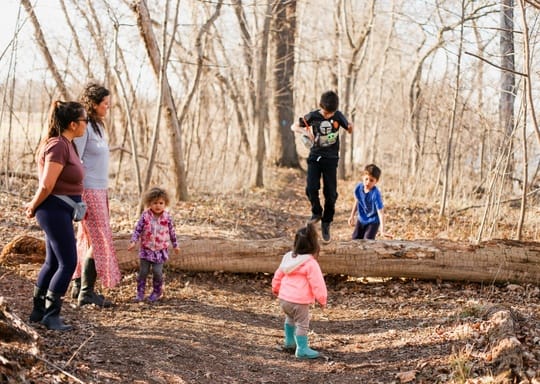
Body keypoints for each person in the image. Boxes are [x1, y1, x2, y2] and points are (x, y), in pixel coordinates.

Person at [24, 100, 88, 331]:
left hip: (60, 210)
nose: (86, 125)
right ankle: (51, 315)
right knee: (68, 262)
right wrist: (32, 206)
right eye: (84, 121)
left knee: (53, 262)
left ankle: (38, 311)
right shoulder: (58, 146)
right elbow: (46, 185)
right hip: (52, 210)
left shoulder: (68, 144)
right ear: (73, 124)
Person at [71, 83, 121, 307]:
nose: (107, 108)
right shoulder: (85, 129)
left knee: (87, 237)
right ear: (93, 104)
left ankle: (78, 284)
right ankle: (86, 292)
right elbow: (75, 160)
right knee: (98, 238)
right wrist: (79, 193)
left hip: (100, 189)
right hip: (88, 189)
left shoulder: (98, 127)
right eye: (105, 104)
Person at [291, 90, 353, 243]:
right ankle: (316, 212)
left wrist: (350, 127)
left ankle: (326, 222)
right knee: (311, 188)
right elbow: (294, 126)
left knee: (330, 193)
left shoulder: (338, 116)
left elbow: (350, 129)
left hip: (331, 159)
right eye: (326, 113)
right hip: (315, 157)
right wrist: (305, 131)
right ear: (321, 107)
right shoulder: (313, 116)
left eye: (330, 114)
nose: (327, 116)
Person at [271, 222, 327, 359]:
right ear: (314, 245)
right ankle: (302, 349)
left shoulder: (288, 257)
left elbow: (278, 274)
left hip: (284, 299)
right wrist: (322, 299)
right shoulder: (310, 263)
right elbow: (317, 283)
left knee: (290, 318)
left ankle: (290, 342)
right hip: (299, 301)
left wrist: (275, 288)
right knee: (302, 324)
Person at [128, 187, 179, 302]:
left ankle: (157, 291)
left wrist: (175, 245)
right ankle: (140, 292)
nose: (158, 206)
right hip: (146, 249)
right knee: (143, 272)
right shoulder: (145, 216)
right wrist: (133, 241)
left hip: (160, 250)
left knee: (157, 271)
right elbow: (138, 229)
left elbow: (172, 232)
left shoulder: (167, 217)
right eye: (155, 203)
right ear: (149, 203)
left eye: (161, 203)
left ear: (165, 203)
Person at [348, 164, 392, 240]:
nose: (368, 182)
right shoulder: (358, 188)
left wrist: (382, 230)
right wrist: (352, 216)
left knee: (367, 240)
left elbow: (381, 212)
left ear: (376, 181)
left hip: (373, 221)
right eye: (366, 179)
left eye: (371, 180)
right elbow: (357, 200)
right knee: (355, 239)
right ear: (363, 177)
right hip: (361, 218)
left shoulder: (375, 194)